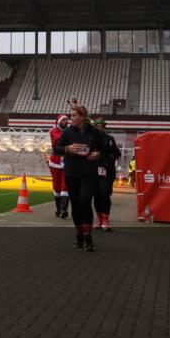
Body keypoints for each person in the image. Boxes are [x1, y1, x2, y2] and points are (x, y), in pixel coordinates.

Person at [54, 101, 103, 251]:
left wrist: (98, 154)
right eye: (70, 116)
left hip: (89, 174)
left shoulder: (94, 132)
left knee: (85, 201)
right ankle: (79, 235)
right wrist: (68, 148)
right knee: (75, 204)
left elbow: (102, 148)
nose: (71, 118)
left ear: (82, 117)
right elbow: (56, 149)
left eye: (74, 116)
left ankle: (88, 237)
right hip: (72, 174)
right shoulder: (68, 132)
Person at [92, 118, 121, 231]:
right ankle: (99, 219)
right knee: (96, 195)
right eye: (98, 126)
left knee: (104, 193)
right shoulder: (91, 139)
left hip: (107, 171)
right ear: (95, 127)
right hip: (93, 171)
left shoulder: (109, 139)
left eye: (102, 126)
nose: (100, 128)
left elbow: (117, 153)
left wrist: (110, 157)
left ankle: (105, 219)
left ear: (104, 127)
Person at [47, 114, 71, 218]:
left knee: (65, 186)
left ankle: (64, 210)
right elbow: (59, 141)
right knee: (56, 187)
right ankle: (58, 209)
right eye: (64, 120)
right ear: (59, 121)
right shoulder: (53, 131)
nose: (66, 122)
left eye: (67, 120)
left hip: (67, 162)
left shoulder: (68, 131)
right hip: (56, 162)